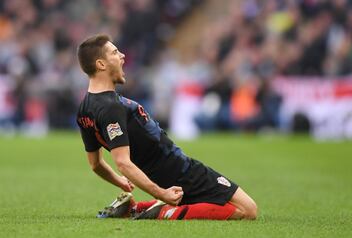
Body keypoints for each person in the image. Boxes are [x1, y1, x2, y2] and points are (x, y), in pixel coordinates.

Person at [76, 34, 257, 220]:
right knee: (248, 210)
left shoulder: (85, 108)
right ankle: (161, 211)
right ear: (101, 64)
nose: (122, 55)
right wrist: (161, 194)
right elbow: (122, 162)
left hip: (165, 171)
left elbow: (95, 164)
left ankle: (135, 208)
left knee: (224, 205)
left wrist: (121, 182)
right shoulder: (111, 107)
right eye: (114, 52)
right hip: (181, 171)